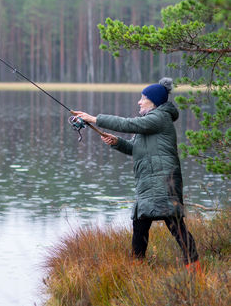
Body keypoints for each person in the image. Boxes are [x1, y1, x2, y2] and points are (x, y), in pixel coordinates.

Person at [73, 78, 200, 271]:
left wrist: (95, 119)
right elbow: (135, 148)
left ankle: (194, 267)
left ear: (154, 101)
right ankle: (137, 269)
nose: (139, 102)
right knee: (140, 225)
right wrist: (117, 143)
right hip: (148, 184)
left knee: (176, 226)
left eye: (143, 98)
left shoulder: (160, 118)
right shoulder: (148, 123)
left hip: (164, 182)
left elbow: (128, 124)